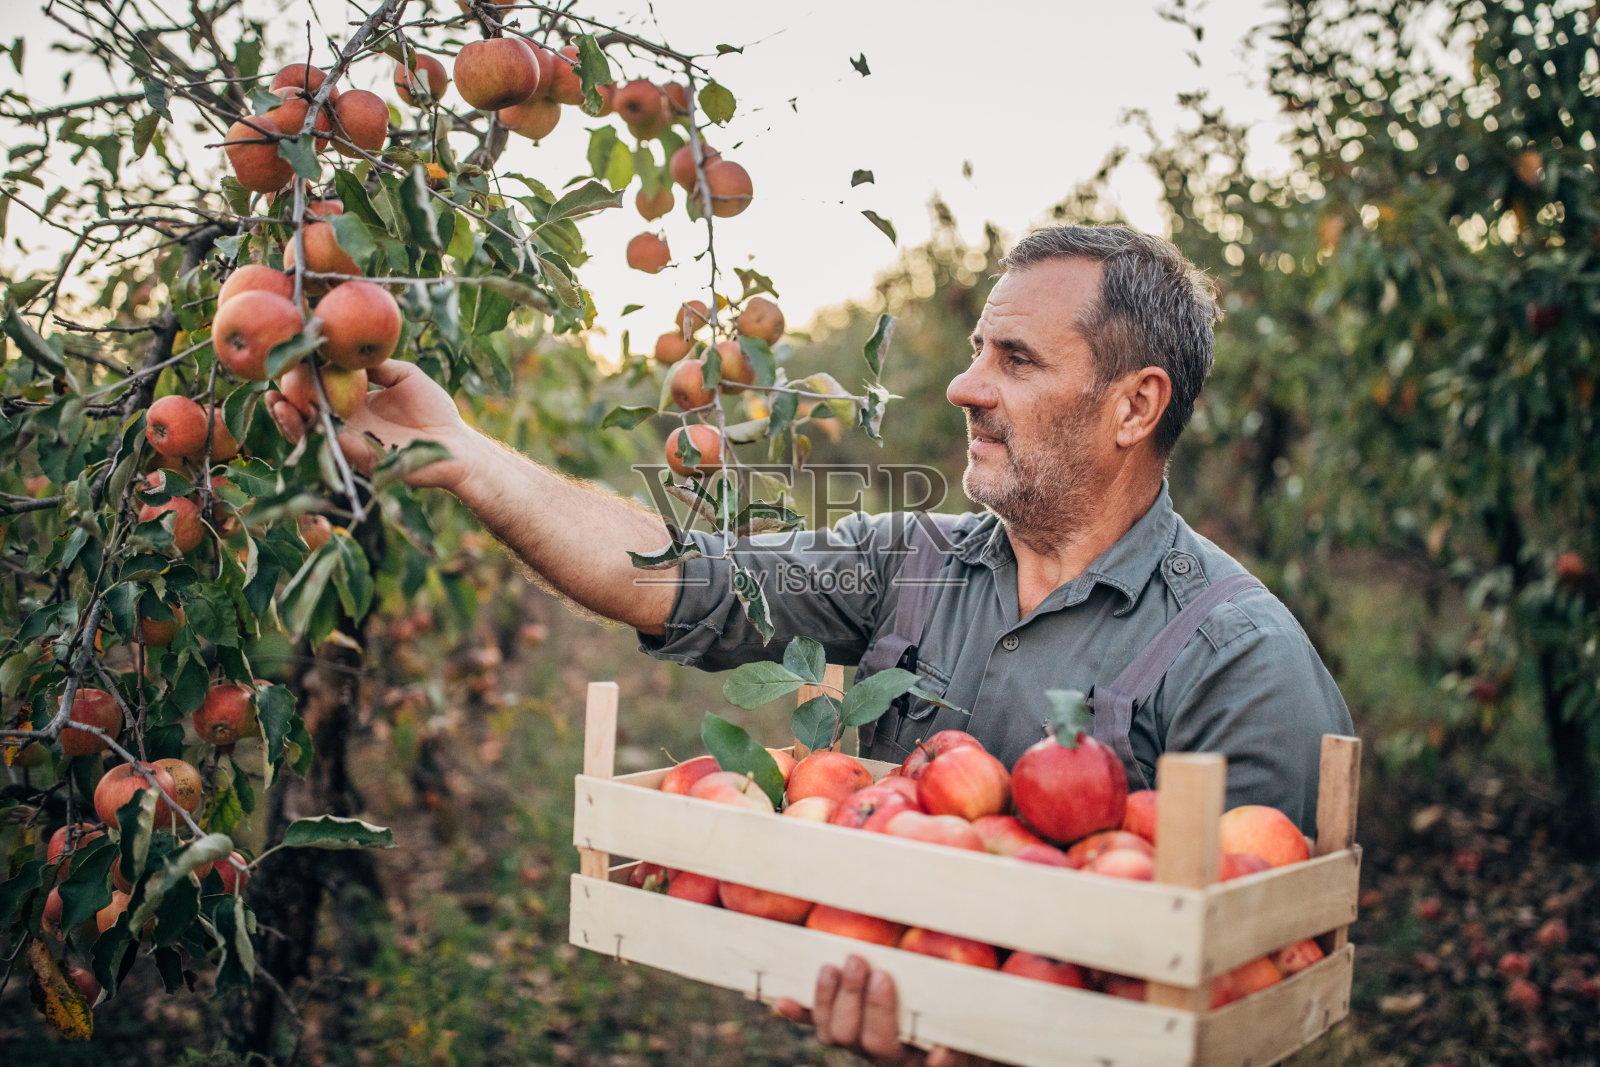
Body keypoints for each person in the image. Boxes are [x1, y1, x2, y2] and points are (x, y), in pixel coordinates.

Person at [270, 224, 1352, 1067]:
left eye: (1013, 359)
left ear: (1134, 406)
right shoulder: (908, 561)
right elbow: (677, 574)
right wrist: (460, 454)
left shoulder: (1235, 656)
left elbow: (1253, 1002)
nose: (963, 386)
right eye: (975, 350)